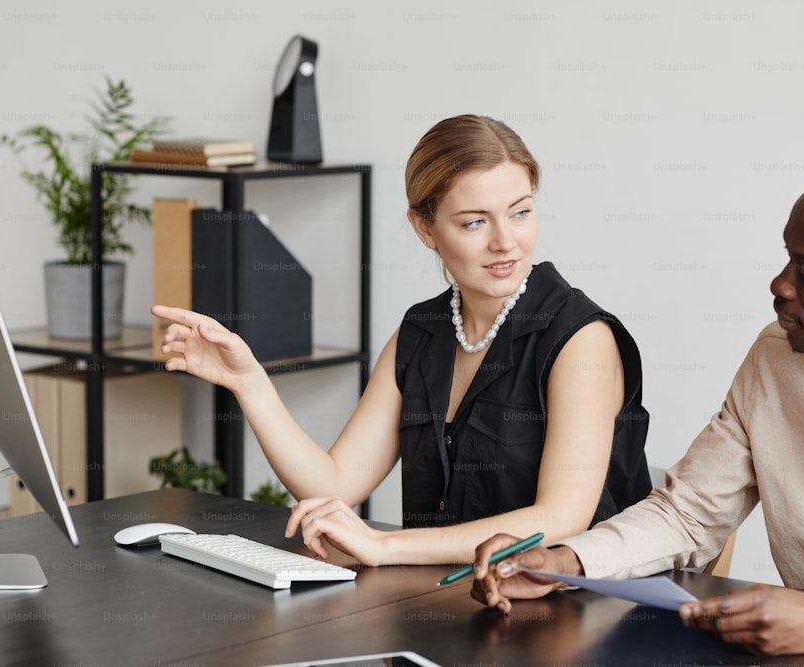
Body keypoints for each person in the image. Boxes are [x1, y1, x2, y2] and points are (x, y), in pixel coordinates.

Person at [471, 160, 804, 655]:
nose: (779, 285)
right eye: (787, 259)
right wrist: (563, 562)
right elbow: (690, 514)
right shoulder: (775, 355)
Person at [151, 114, 651, 567]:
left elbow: (560, 518)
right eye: (475, 221)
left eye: (520, 212)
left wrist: (384, 545)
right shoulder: (420, 334)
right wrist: (249, 382)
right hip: (445, 606)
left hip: (567, 613)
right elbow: (335, 484)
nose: (505, 241)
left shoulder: (581, 338)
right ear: (424, 227)